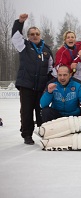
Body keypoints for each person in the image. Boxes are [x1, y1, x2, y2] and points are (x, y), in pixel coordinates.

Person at [11, 13, 54, 145]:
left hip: (41, 86)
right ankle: (27, 134)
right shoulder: (24, 46)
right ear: (28, 36)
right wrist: (20, 22)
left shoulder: (46, 50)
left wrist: (51, 82)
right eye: (32, 34)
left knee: (41, 110)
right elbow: (15, 37)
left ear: (40, 35)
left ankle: (43, 132)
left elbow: (51, 68)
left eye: (37, 34)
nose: (35, 36)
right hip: (27, 85)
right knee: (26, 111)